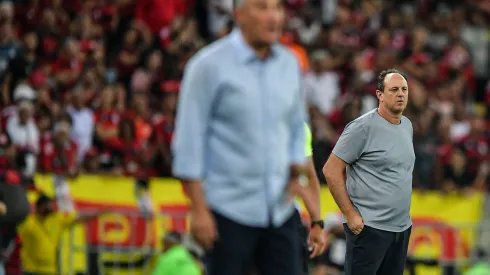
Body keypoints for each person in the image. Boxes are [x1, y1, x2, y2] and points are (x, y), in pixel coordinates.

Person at [172, 0, 323, 274]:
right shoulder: (208, 66)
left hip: (280, 210)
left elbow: (295, 125)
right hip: (227, 212)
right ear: (239, 14)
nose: (273, 16)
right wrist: (198, 209)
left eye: (277, 8)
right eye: (262, 7)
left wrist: (294, 165)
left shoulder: (289, 64)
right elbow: (188, 141)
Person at [323, 69, 415, 275]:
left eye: (404, 89)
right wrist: (349, 214)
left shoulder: (407, 126)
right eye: (394, 90)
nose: (400, 94)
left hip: (400, 229)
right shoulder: (362, 127)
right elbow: (331, 170)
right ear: (379, 95)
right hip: (369, 228)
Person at [17, 194, 109, 275]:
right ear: (39, 207)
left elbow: (79, 217)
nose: (51, 207)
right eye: (47, 205)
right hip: (31, 269)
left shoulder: (57, 219)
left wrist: (99, 212)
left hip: (50, 270)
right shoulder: (28, 222)